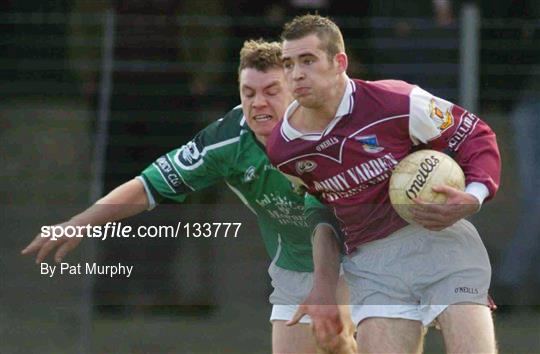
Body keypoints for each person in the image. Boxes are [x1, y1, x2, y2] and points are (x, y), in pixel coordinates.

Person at [21, 39, 356, 354]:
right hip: (297, 265)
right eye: (248, 93)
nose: (258, 103)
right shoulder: (225, 142)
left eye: (271, 91)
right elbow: (147, 186)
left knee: (347, 339)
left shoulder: (336, 129)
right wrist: (80, 223)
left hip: (362, 256)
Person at [267, 14, 501, 354]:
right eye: (288, 64)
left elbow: (475, 135)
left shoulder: (396, 101)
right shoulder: (283, 149)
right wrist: (324, 284)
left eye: (308, 60)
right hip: (374, 264)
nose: (296, 73)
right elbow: (322, 209)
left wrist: (473, 196)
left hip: (441, 242)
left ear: (339, 62)